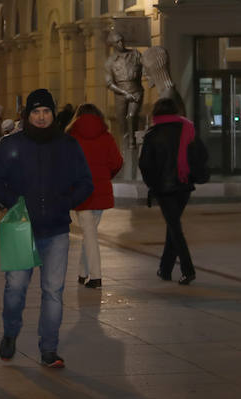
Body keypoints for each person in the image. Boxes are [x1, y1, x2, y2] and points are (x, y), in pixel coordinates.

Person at [0, 88, 94, 369]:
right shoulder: (11, 145)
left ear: (53, 114)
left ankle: (49, 349)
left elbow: (86, 182)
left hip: (56, 230)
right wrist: (14, 204)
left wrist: (66, 202)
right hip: (20, 227)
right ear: (27, 115)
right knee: (15, 288)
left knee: (53, 292)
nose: (42, 116)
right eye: (36, 112)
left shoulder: (67, 145)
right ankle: (10, 332)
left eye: (46, 111)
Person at [139, 97, 206, 284]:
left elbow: (145, 164)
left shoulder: (152, 134)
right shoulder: (187, 129)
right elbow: (202, 154)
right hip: (184, 186)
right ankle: (165, 269)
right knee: (173, 226)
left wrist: (152, 184)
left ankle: (188, 269)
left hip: (164, 188)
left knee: (175, 229)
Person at [67, 103, 123, 289]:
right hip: (100, 191)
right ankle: (83, 272)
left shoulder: (71, 138)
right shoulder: (106, 137)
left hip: (80, 192)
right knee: (89, 233)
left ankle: (96, 276)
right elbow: (117, 162)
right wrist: (106, 177)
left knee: (89, 233)